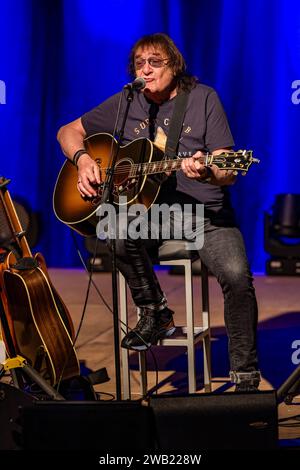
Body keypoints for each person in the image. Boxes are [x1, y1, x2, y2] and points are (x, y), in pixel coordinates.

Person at [57, 33, 260, 392]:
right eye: (139, 63)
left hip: (205, 214)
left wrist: (208, 169)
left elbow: (228, 172)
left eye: (155, 62)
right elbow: (67, 131)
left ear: (174, 65)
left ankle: (244, 376)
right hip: (155, 212)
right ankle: (155, 311)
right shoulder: (127, 102)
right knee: (114, 229)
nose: (146, 70)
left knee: (237, 275)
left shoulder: (203, 99)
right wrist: (84, 159)